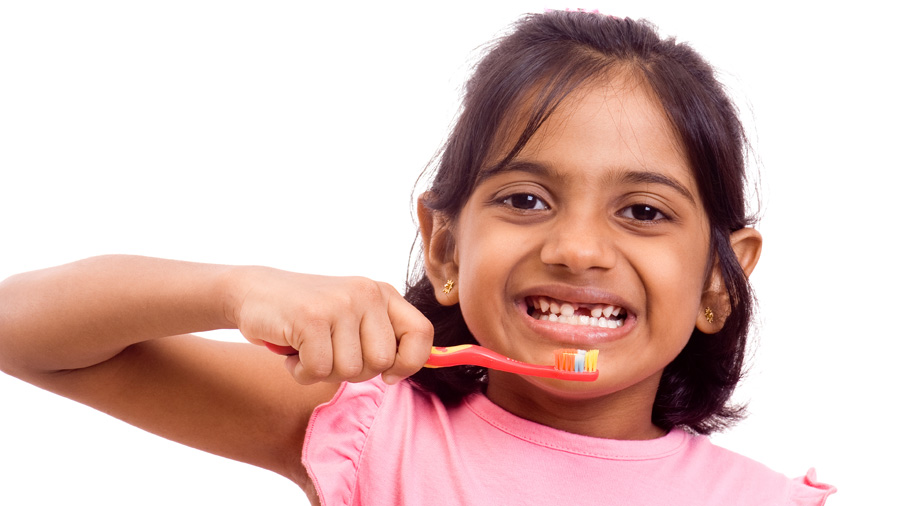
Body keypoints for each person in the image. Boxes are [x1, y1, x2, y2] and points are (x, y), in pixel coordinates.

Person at [0, 9, 834, 505]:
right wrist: (237, 289)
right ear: (444, 247)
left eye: (643, 212)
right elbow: (20, 332)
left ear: (719, 282)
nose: (578, 249)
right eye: (526, 200)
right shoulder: (368, 430)